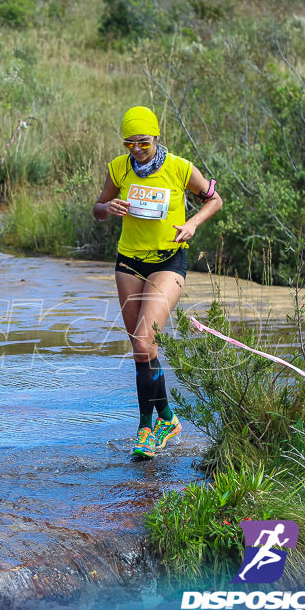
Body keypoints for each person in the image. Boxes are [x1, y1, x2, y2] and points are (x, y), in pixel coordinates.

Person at [92, 106, 223, 459]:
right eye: (130, 143)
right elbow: (98, 207)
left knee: (144, 339)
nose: (137, 149)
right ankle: (167, 417)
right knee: (141, 349)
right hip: (128, 262)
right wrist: (108, 209)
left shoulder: (179, 168)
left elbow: (215, 199)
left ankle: (146, 429)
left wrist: (193, 224)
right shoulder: (118, 168)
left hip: (169, 261)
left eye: (144, 142)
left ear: (157, 137)